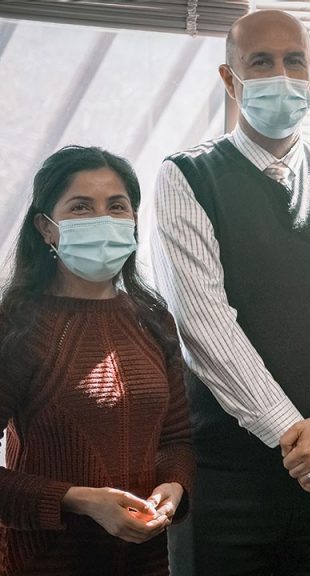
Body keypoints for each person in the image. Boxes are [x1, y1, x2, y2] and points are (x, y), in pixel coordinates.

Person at [147, 9, 310, 576]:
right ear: (229, 79)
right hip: (229, 481)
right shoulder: (187, 177)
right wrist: (297, 438)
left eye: (294, 62)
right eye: (260, 62)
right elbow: (205, 328)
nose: (280, 76)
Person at [0, 146, 194, 575]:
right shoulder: (15, 325)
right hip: (47, 562)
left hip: (145, 561)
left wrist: (173, 486)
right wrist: (80, 500)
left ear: (134, 220)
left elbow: (176, 439)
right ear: (45, 228)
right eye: (81, 207)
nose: (102, 221)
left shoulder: (152, 318)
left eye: (116, 207)